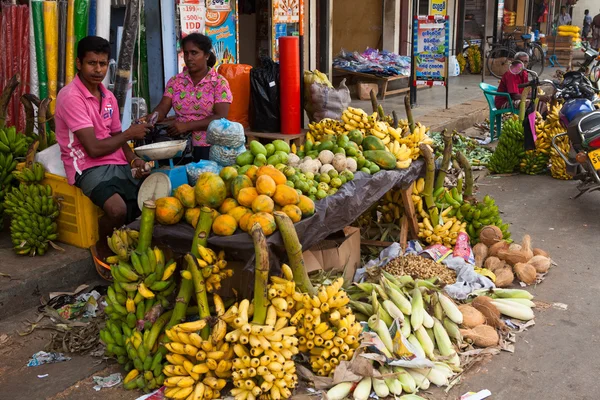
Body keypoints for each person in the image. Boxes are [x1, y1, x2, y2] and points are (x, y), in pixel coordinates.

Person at [54, 36, 152, 278]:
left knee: (149, 199)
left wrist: (133, 161)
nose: (98, 70)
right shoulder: (70, 97)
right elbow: (94, 149)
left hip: (116, 162)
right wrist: (130, 133)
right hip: (85, 167)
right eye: (92, 63)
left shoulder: (108, 97)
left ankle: (127, 247)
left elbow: (117, 135)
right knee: (117, 210)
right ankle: (100, 247)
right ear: (79, 63)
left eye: (103, 64)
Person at [152, 33, 233, 162]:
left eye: (194, 53)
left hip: (209, 147)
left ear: (206, 55)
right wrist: (150, 118)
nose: (189, 58)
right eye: (186, 53)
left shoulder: (218, 82)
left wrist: (187, 126)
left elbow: (220, 118)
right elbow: (162, 109)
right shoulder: (175, 82)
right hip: (179, 145)